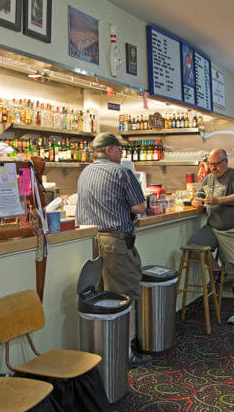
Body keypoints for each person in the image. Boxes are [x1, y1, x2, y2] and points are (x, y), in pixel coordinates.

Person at [76, 132, 151, 366]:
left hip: (92, 241)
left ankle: (105, 346)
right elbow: (139, 206)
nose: (121, 153)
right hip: (116, 242)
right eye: (119, 149)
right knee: (123, 296)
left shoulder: (85, 172)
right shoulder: (121, 172)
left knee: (101, 296)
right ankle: (125, 353)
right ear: (109, 150)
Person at [191, 148, 234, 325]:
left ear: (225, 162)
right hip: (214, 228)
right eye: (210, 164)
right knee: (196, 247)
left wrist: (218, 201)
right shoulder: (208, 178)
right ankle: (217, 271)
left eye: (216, 164)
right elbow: (198, 196)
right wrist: (196, 201)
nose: (212, 168)